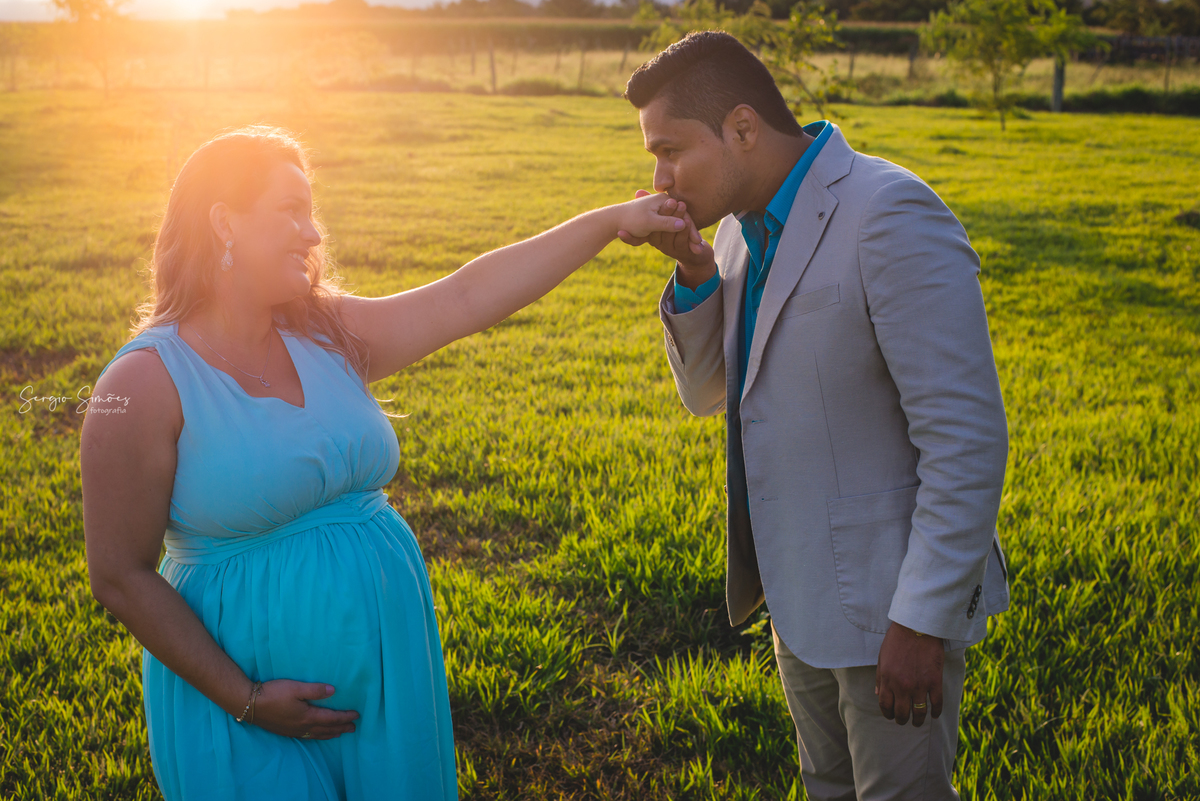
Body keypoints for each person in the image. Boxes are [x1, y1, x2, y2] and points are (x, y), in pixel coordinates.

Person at [80, 125, 688, 801]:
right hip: (241, 704)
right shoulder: (141, 382)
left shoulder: (326, 332)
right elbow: (119, 574)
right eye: (291, 211)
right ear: (225, 221)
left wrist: (611, 222)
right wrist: (246, 697)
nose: (312, 235)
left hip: (384, 673)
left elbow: (466, 297)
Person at [618, 32, 1011, 799]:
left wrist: (922, 619)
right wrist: (695, 275)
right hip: (796, 595)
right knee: (825, 784)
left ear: (741, 128)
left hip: (890, 609)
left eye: (669, 151)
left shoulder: (889, 211)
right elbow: (710, 395)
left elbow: (966, 440)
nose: (657, 179)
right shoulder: (733, 232)